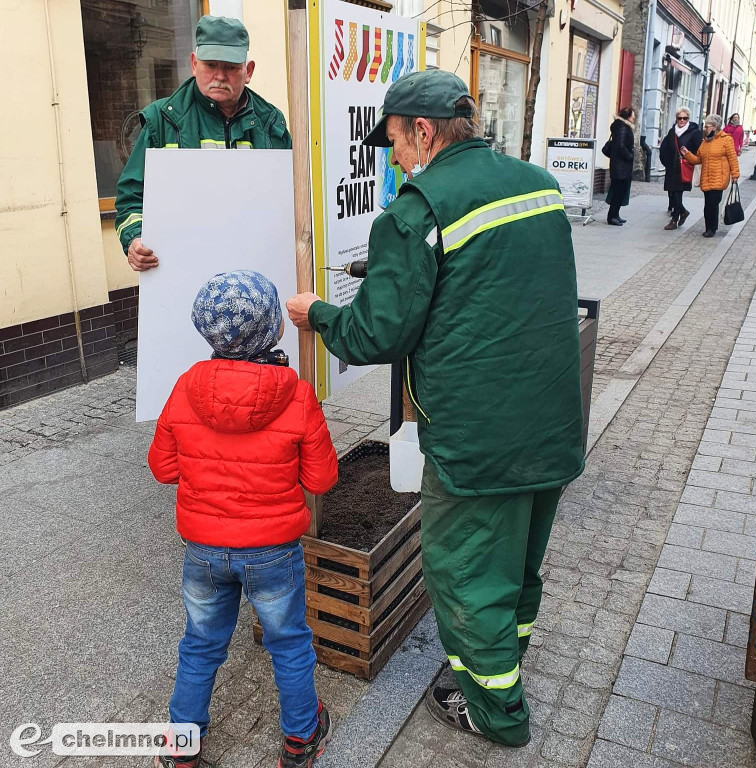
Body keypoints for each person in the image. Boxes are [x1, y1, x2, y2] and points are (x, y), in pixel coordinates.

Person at [286, 70, 584, 748]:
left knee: (465, 573)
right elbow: (486, 274)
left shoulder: (417, 211)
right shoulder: (536, 184)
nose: (393, 157)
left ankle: (495, 714)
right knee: (517, 564)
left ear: (422, 132)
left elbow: (377, 335)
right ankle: (501, 668)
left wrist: (319, 313)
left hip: (477, 442)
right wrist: (386, 271)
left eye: (393, 142)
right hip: (552, 424)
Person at [148, 271, 337, 768]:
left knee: (201, 645)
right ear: (274, 328)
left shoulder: (187, 386)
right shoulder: (296, 394)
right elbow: (320, 480)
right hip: (274, 552)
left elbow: (163, 468)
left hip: (203, 550)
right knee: (290, 643)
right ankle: (300, 740)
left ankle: (181, 746)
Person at [115, 16, 291, 272]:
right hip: (180, 272)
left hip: (255, 272)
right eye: (210, 65)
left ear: (248, 71)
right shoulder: (161, 120)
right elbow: (130, 198)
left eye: (231, 67)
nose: (220, 76)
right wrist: (134, 239)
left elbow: (291, 201)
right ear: (194, 64)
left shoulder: (271, 124)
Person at [680, 114, 740, 238]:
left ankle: (711, 229)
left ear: (715, 127)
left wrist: (735, 174)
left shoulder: (726, 140)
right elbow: (698, 159)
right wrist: (687, 154)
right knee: (709, 204)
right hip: (706, 178)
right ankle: (711, 227)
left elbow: (732, 158)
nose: (705, 129)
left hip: (719, 177)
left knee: (712, 204)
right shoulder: (705, 142)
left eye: (707, 126)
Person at [659, 107, 702, 230]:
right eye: (679, 118)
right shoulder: (672, 131)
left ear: (688, 119)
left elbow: (699, 150)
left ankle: (674, 219)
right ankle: (683, 212)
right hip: (672, 167)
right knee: (672, 193)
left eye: (685, 118)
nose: (682, 120)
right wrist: (666, 162)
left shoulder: (694, 132)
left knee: (678, 193)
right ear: (676, 118)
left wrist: (689, 156)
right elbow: (665, 147)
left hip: (684, 167)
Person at [605, 106, 636, 225]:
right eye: (633, 116)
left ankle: (615, 214)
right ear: (628, 117)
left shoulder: (622, 126)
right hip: (620, 166)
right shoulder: (622, 128)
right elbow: (620, 146)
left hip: (621, 165)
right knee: (618, 191)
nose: (634, 118)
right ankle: (611, 216)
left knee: (620, 191)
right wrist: (629, 156)